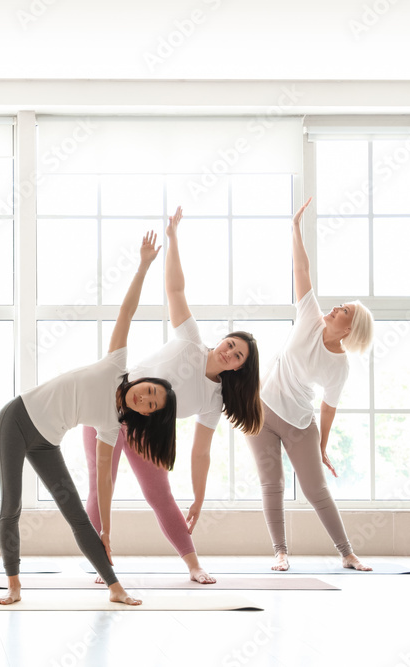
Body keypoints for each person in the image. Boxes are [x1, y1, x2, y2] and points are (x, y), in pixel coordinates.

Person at [83, 207, 264, 585]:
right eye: (230, 344)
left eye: (237, 356)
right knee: (101, 487)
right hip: (110, 407)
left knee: (160, 495)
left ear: (238, 369)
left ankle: (194, 565)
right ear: (222, 341)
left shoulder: (214, 400)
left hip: (147, 432)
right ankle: (102, 563)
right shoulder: (191, 341)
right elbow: (176, 290)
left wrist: (199, 496)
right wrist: (173, 239)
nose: (229, 352)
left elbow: (201, 453)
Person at [0, 230, 173, 606]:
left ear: (145, 415)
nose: (145, 398)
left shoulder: (112, 425)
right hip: (17, 419)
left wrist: (105, 529)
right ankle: (13, 585)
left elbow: (104, 481)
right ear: (143, 382)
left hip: (46, 443)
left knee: (77, 514)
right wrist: (143, 266)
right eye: (150, 391)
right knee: (12, 504)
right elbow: (127, 312)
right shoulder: (116, 365)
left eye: (151, 405)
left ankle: (116, 588)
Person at [245, 197, 374, 572]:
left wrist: (321, 446)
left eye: (343, 311)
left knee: (316, 490)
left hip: (300, 422)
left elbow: (328, 408)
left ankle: (347, 554)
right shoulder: (309, 316)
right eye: (340, 305)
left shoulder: (340, 367)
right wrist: (295, 228)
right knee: (272, 484)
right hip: (261, 412)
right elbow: (301, 268)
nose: (335, 308)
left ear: (348, 329)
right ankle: (280, 552)